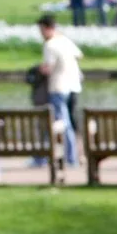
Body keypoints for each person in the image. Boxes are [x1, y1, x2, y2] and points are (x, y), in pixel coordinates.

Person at [38, 14, 83, 166]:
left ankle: (71, 158)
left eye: (41, 30)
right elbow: (79, 55)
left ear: (46, 28)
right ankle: (42, 157)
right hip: (73, 86)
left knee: (63, 123)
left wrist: (38, 70)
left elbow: (48, 68)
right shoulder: (64, 40)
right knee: (62, 121)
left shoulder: (50, 45)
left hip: (58, 87)